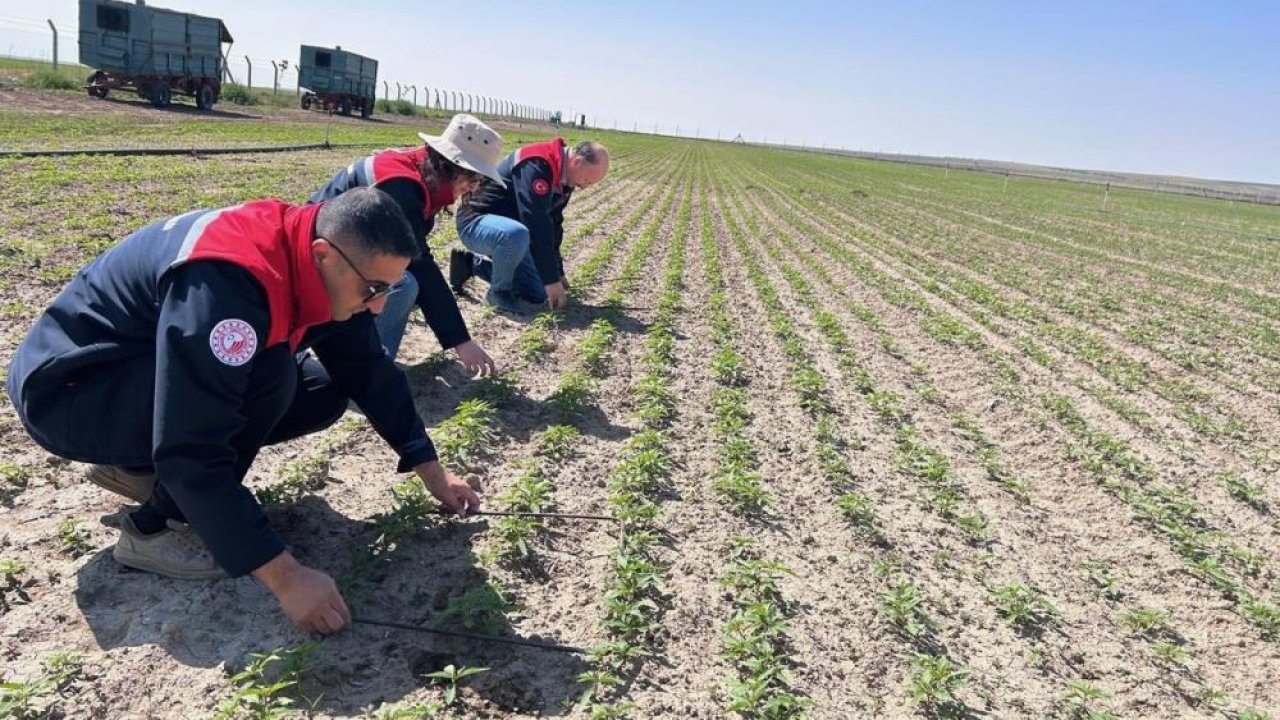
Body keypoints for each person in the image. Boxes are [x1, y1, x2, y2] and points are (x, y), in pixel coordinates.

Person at [5, 188, 480, 636]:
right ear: (323, 254)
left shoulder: (310, 255)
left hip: (129, 374)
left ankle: (137, 467)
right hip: (69, 392)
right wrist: (286, 577)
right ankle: (153, 530)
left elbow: (368, 371)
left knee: (322, 388)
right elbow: (194, 446)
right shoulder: (231, 284)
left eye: (388, 292)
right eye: (373, 288)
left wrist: (432, 471)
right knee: (269, 375)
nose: (378, 308)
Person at [311, 114, 504, 371]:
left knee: (405, 284)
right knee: (403, 283)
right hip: (319, 259)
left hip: (342, 250)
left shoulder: (419, 171)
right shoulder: (402, 188)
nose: (474, 188)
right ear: (451, 166)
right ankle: (358, 365)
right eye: (473, 179)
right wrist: (461, 341)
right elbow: (419, 264)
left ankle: (373, 357)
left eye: (479, 181)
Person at [449, 138, 610, 314]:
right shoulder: (536, 165)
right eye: (587, 180)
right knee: (518, 240)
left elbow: (553, 224)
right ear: (577, 162)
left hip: (512, 235)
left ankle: (471, 264)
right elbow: (536, 223)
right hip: (476, 222)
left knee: (537, 292)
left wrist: (557, 272)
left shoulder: (566, 177)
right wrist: (551, 280)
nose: (585, 187)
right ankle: (498, 293)